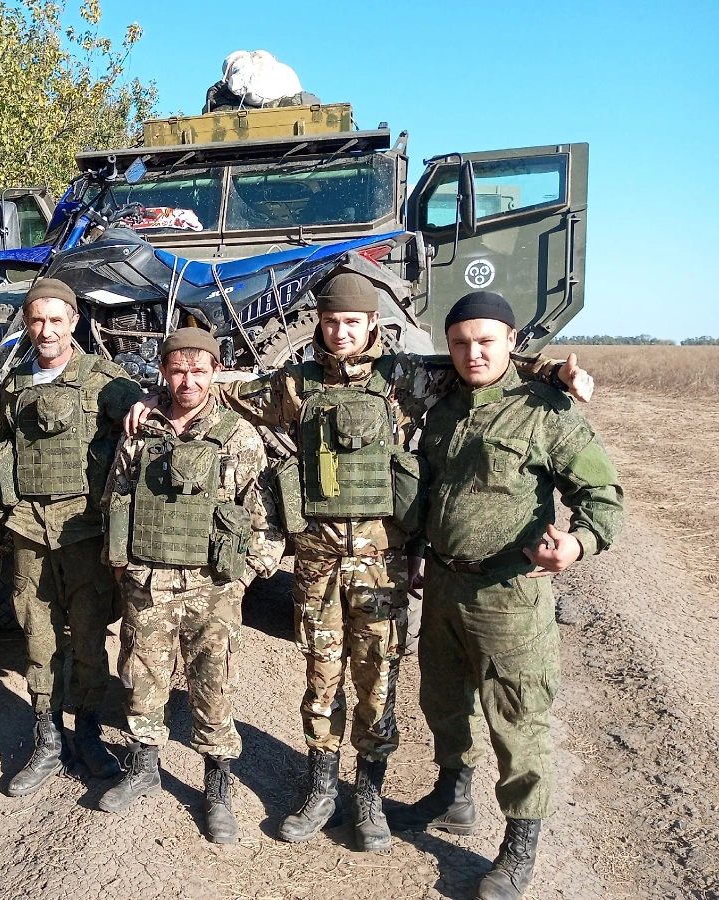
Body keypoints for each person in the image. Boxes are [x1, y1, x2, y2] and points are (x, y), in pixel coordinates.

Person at [124, 271, 595, 851]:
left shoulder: (402, 379)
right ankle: (322, 788)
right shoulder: (295, 385)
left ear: (373, 322)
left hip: (381, 564)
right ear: (318, 324)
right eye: (331, 321)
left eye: (352, 321)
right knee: (320, 678)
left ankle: (368, 796)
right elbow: (220, 389)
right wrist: (152, 396)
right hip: (317, 562)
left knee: (378, 678)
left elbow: (481, 365)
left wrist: (549, 371)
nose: (341, 332)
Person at [394, 291, 623, 900]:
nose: (473, 353)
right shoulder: (444, 410)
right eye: (461, 343)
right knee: (444, 700)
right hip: (444, 585)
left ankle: (520, 845)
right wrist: (417, 551)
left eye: (486, 341)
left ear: (511, 342)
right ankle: (453, 797)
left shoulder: (546, 411)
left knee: (518, 720)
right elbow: (432, 491)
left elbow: (603, 497)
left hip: (509, 594)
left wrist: (577, 545)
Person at [97, 329, 284, 843]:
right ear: (163, 372)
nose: (188, 381)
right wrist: (121, 568)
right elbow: (116, 497)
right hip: (149, 583)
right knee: (141, 678)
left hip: (213, 587)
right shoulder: (141, 434)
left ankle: (217, 787)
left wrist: (248, 574)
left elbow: (264, 516)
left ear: (215, 372)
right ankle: (143, 767)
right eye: (178, 370)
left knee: (214, 685)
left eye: (199, 371)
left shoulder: (237, 436)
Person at [0, 277, 145, 796]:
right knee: (38, 635)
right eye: (37, 320)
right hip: (29, 530)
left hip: (83, 530)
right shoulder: (15, 384)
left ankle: (88, 733)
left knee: (87, 637)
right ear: (26, 323)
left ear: (74, 322)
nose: (46, 330)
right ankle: (47, 738)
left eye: (56, 320)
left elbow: (149, 423)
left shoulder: (105, 380)